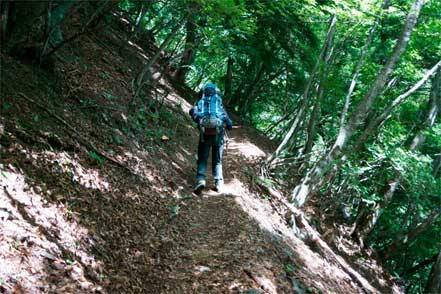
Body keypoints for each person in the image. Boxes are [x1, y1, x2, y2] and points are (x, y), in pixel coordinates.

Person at [189, 83, 233, 194]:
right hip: (218, 136)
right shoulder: (219, 105)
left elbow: (194, 115)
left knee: (203, 158)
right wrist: (228, 125)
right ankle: (219, 184)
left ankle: (200, 180)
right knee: (217, 161)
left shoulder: (200, 103)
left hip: (205, 136)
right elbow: (229, 123)